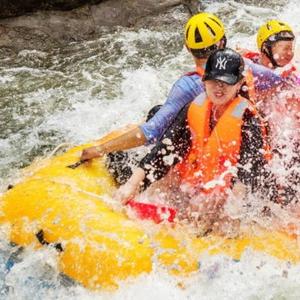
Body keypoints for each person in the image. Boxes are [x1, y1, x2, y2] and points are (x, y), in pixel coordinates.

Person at [80, 13, 287, 169]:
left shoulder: (187, 86)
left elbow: (151, 132)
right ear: (222, 42)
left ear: (188, 49)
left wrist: (99, 149)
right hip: (249, 154)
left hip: (209, 163)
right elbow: (281, 85)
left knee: (155, 113)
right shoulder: (246, 66)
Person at [115, 49, 273, 233]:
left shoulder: (249, 121)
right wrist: (131, 185)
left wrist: (228, 212)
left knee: (212, 206)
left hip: (237, 191)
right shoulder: (194, 108)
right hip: (202, 178)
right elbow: (165, 150)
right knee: (162, 177)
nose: (219, 87)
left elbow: (248, 177)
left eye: (226, 82)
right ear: (204, 80)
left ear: (238, 84)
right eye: (214, 81)